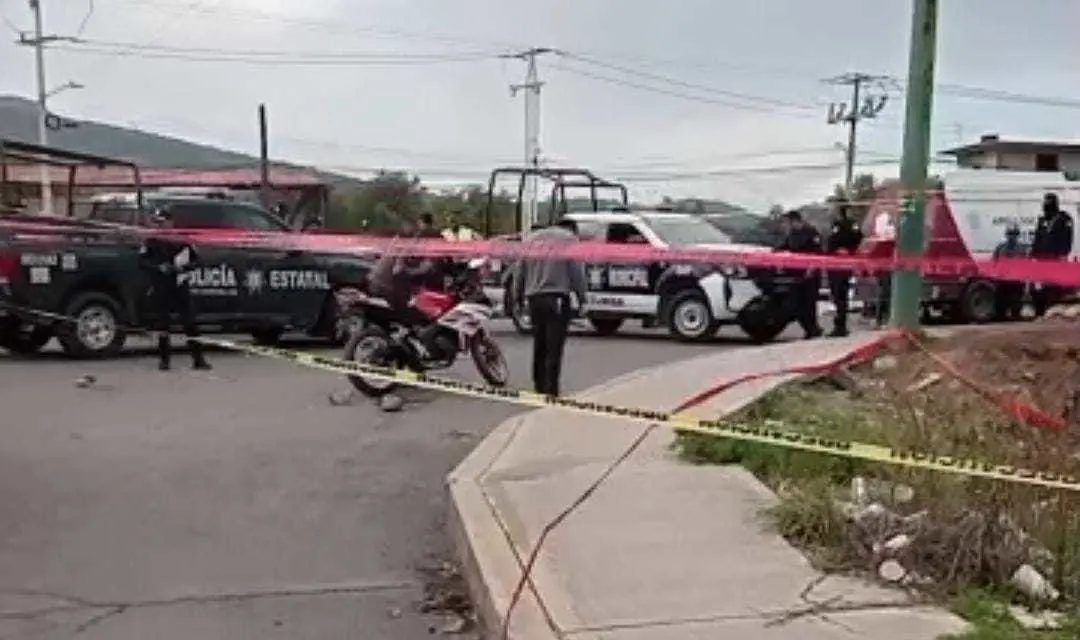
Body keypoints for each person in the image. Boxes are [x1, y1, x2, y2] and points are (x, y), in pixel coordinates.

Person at [511, 218, 587, 397]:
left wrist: (517, 298)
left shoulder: (531, 240)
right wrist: (583, 298)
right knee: (554, 346)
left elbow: (520, 271)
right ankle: (551, 390)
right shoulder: (569, 240)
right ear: (572, 229)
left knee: (540, 343)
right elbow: (577, 273)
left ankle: (538, 385)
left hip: (534, 299)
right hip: (557, 298)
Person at [138, 210, 211, 371]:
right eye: (158, 222)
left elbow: (198, 261)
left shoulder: (182, 241)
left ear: (171, 222)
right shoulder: (151, 241)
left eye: (163, 221)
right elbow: (142, 262)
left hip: (180, 284)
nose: (160, 225)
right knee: (163, 325)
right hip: (161, 285)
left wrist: (182, 267)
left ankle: (198, 359)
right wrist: (158, 267)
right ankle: (164, 361)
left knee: (190, 323)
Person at [775, 210, 824, 339]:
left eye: (787, 222)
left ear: (794, 221)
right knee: (796, 305)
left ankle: (812, 330)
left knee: (809, 304)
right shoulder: (792, 234)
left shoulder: (811, 232)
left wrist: (811, 269)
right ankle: (809, 328)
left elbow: (817, 253)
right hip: (795, 275)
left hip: (810, 274)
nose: (786, 225)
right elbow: (785, 246)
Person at [1029, 193, 1074, 316]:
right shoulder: (1042, 220)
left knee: (1053, 288)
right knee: (1037, 288)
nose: (1045, 207)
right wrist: (1033, 255)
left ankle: (1051, 310)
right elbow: (1037, 238)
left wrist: (1063, 255)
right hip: (1041, 260)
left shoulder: (1064, 219)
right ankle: (1039, 311)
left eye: (1047, 204)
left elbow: (1067, 239)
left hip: (1056, 259)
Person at [824, 203, 863, 337]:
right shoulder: (837, 224)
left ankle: (840, 325)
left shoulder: (850, 225)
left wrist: (849, 251)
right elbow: (831, 242)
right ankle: (840, 324)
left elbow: (857, 239)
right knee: (837, 294)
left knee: (840, 293)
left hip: (843, 263)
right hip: (835, 262)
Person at [992, 223, 1025, 321]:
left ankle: (1015, 315)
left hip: (1016, 280)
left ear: (1017, 235)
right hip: (1002, 279)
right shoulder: (1000, 248)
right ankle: (1000, 316)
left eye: (1014, 234)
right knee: (1000, 301)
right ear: (1006, 235)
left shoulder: (1021, 249)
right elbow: (994, 261)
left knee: (1016, 300)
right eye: (1010, 234)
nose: (1012, 237)